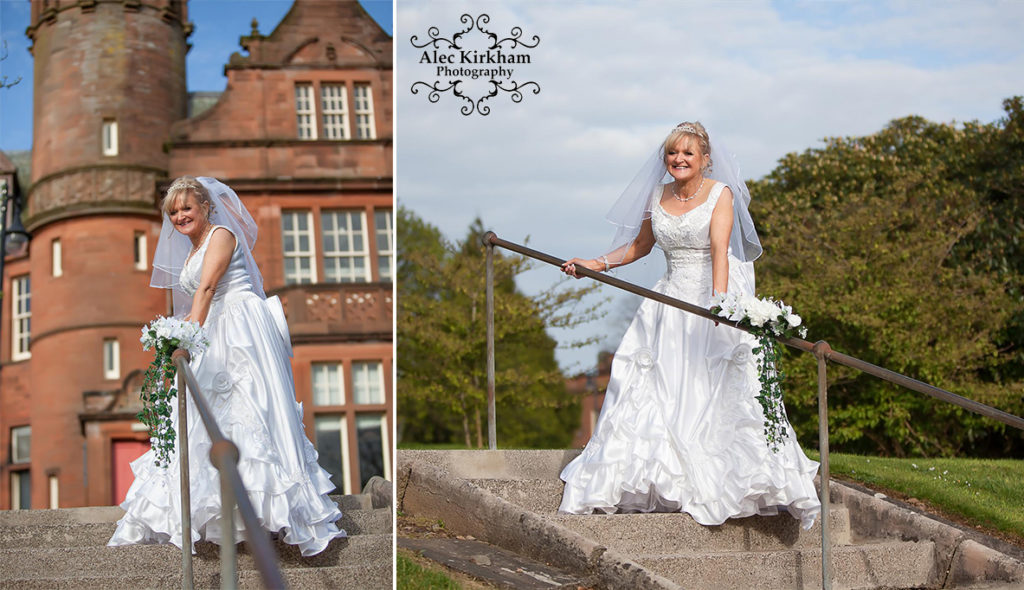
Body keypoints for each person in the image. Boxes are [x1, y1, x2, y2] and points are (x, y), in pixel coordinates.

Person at [558, 122, 821, 529]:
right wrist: (593, 264)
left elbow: (719, 250)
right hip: (665, 302)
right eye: (672, 153)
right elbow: (640, 247)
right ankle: (665, 481)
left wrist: (717, 307)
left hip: (705, 297)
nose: (678, 160)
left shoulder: (721, 194)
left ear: (704, 159)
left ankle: (723, 482)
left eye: (687, 154)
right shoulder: (656, 195)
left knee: (708, 387)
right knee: (651, 387)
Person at [108, 176, 346, 556]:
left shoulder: (220, 234)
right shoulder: (191, 249)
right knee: (206, 416)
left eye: (186, 207)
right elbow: (191, 300)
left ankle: (270, 511)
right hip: (212, 326)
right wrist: (178, 334)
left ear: (205, 206)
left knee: (247, 408)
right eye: (173, 211)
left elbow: (205, 290)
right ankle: (219, 511)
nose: (180, 216)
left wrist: (185, 338)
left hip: (237, 326)